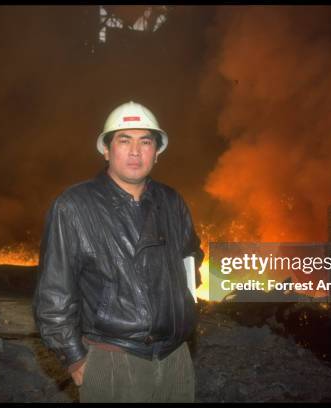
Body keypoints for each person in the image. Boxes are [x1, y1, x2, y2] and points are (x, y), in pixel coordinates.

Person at [33, 101, 204, 402]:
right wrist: (74, 357)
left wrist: (181, 306)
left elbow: (191, 259)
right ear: (107, 149)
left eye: (145, 142)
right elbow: (53, 294)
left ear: (157, 151)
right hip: (113, 357)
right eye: (124, 140)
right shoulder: (74, 206)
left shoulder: (171, 201)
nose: (135, 151)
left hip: (176, 357)